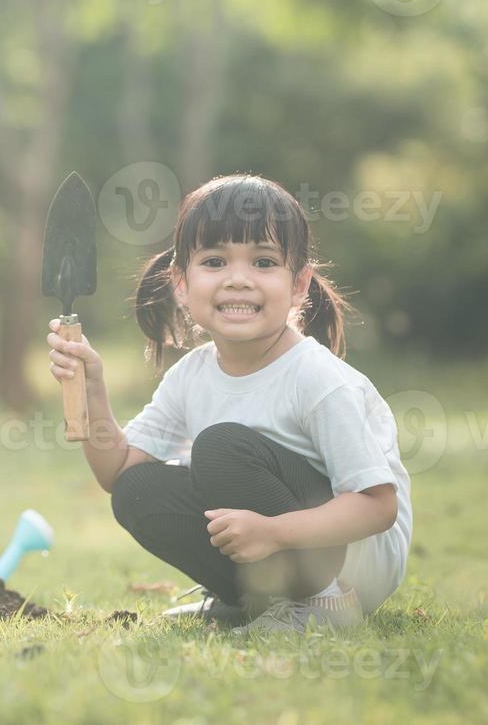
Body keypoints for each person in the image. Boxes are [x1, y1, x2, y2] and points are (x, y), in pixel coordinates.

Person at [46, 174, 412, 634]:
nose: (238, 280)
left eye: (263, 262)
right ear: (181, 282)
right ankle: (252, 602)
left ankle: (322, 608)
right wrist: (93, 388)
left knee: (220, 450)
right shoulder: (192, 375)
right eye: (215, 261)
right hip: (280, 539)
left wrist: (272, 532)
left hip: (355, 565)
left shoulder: (317, 380)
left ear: (299, 284)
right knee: (137, 491)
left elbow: (378, 507)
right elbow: (116, 471)